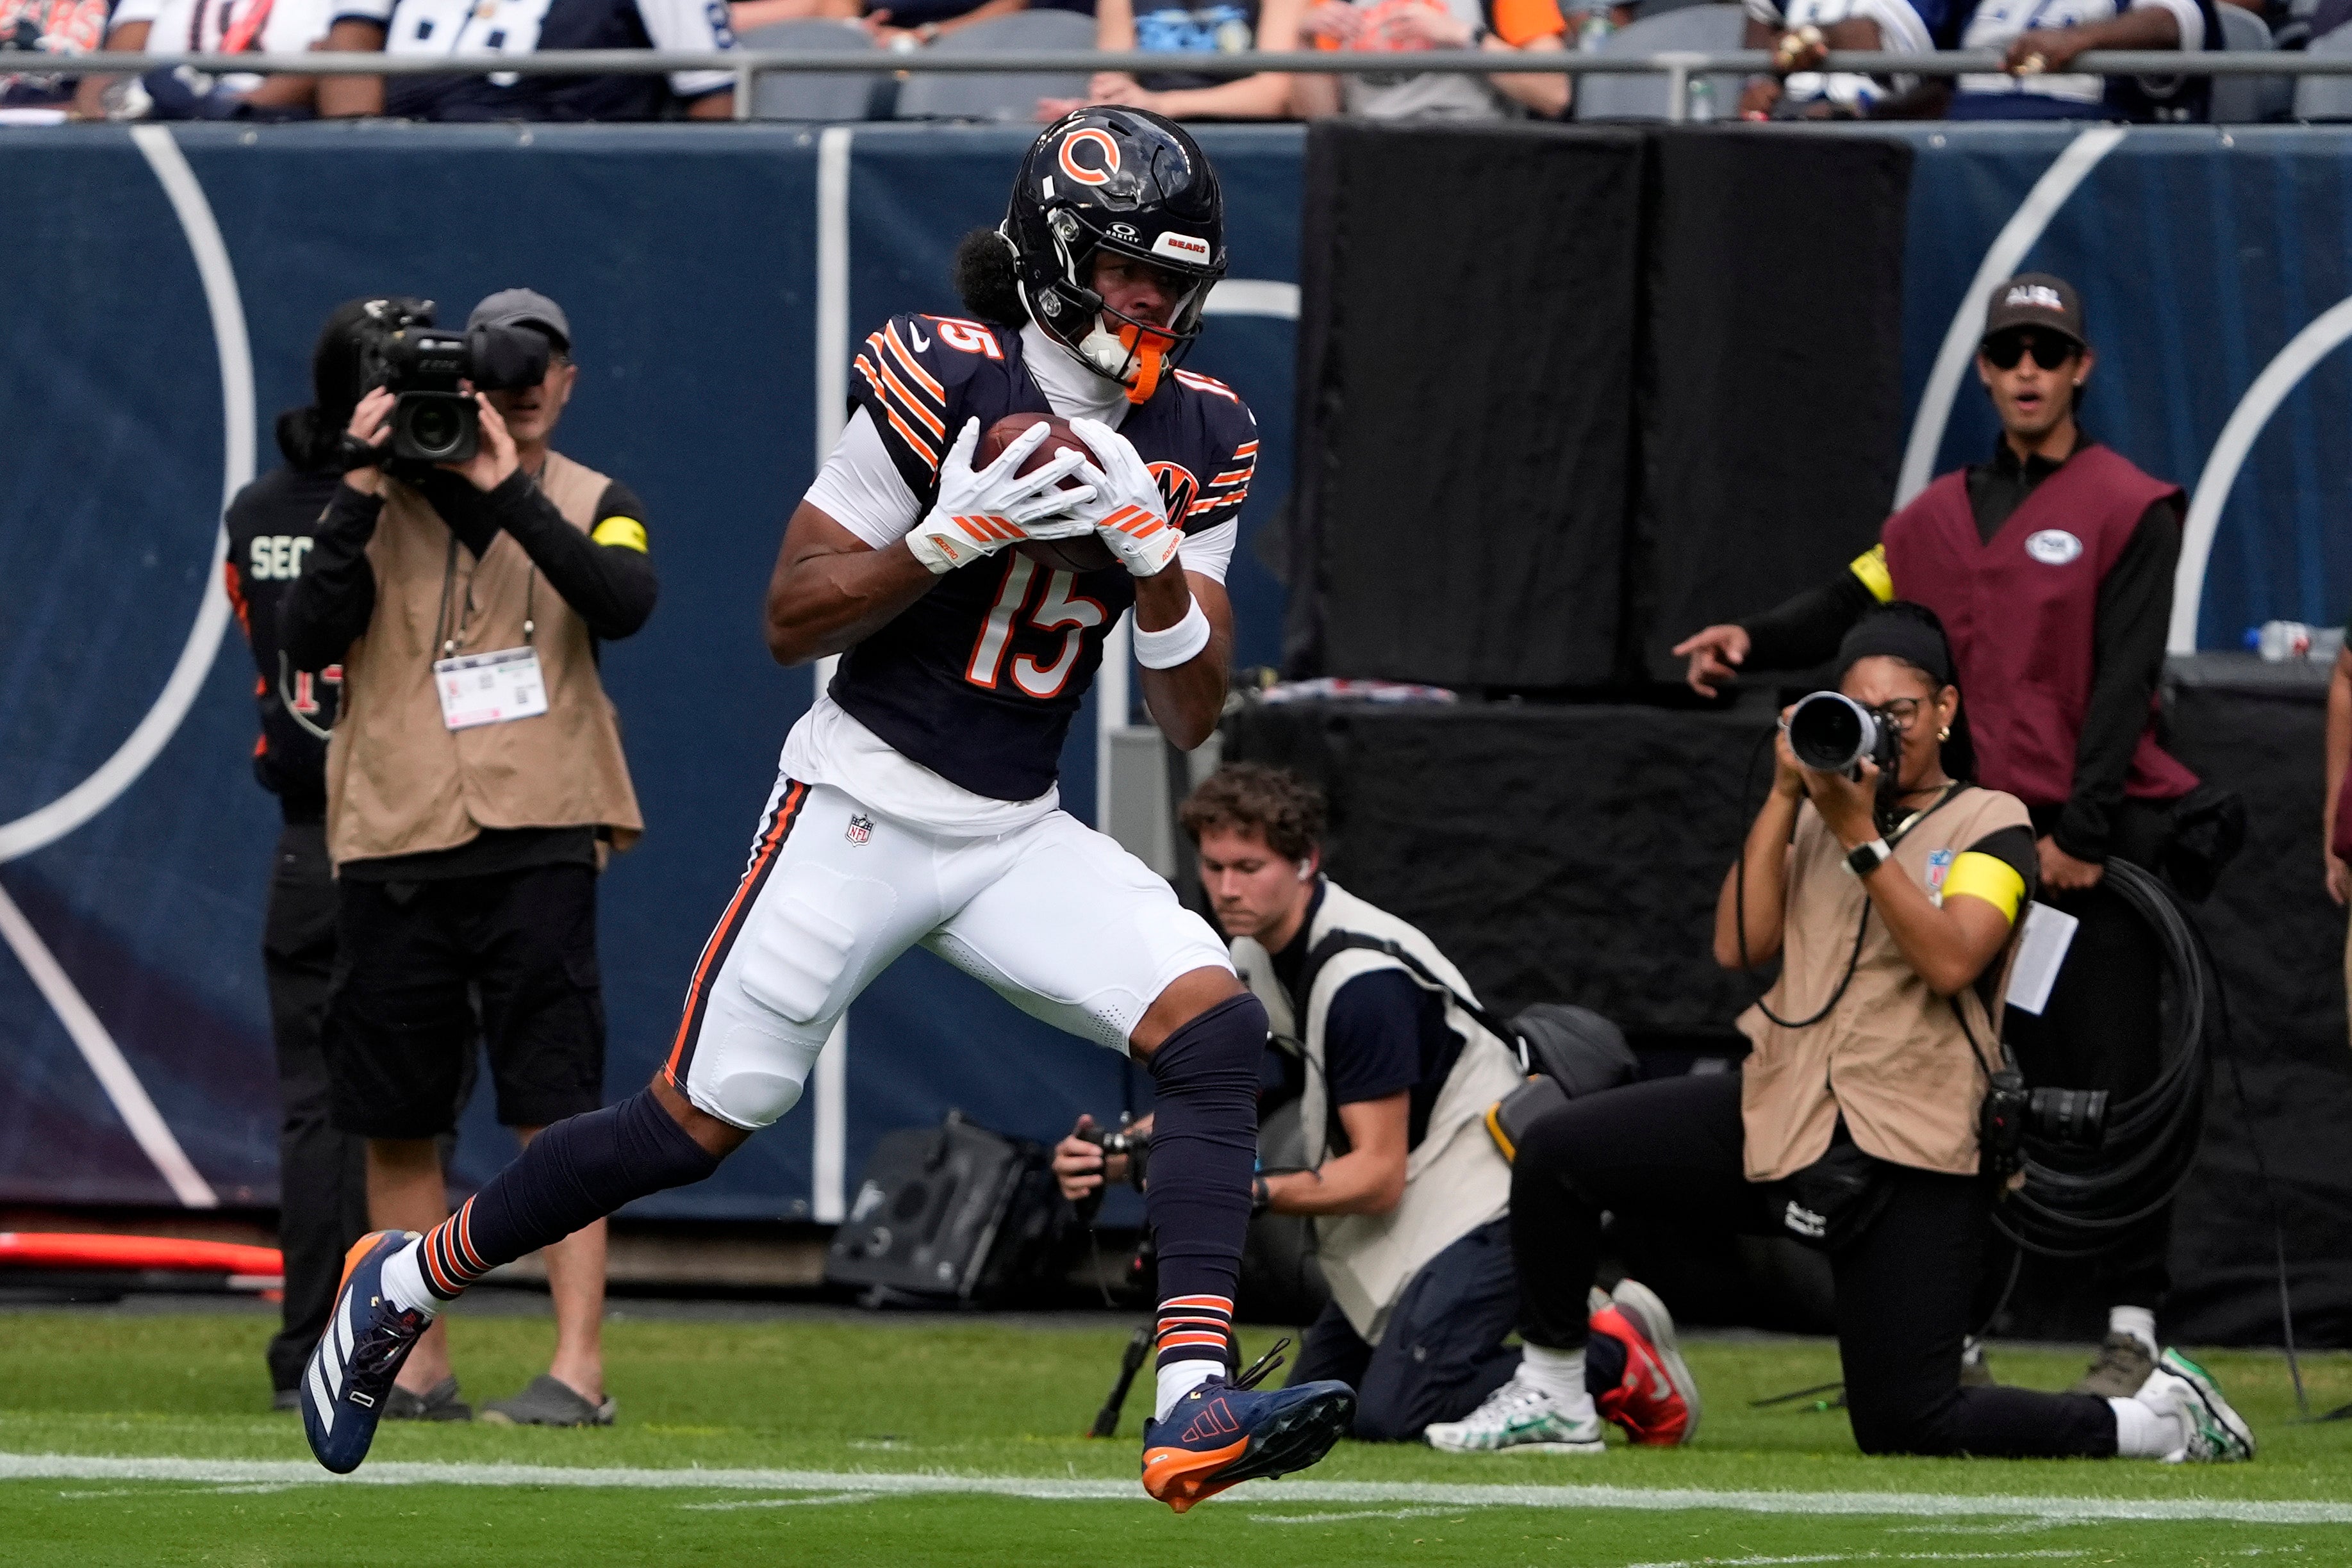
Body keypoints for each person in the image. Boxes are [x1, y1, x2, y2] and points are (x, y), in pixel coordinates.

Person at [298, 109, 1358, 1514]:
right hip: (858, 801)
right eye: (1121, 269)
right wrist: (943, 536)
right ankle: (409, 1272)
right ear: (1052, 256)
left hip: (1010, 827)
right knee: (699, 1117)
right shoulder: (943, 374)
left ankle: (1189, 1402)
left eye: (1172, 276)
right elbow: (791, 617)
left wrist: (1157, 564)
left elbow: (1186, 710)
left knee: (1213, 1025)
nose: (1151, 301)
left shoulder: (1201, 430)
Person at [1443, 604, 2255, 1464]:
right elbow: (1739, 943)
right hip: (1785, 1107)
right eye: (1859, 709)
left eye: (1899, 711)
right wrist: (1785, 794)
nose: (1881, 730)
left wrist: (1859, 836)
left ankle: (2156, 1422)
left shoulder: (1991, 821)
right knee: (1558, 1150)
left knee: (1909, 1424)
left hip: (1912, 1138)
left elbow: (1951, 959)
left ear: (1945, 708)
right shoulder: (1816, 809)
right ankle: (1556, 1393)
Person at [1674, 273, 2207, 1401]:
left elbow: (2127, 679)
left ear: (2080, 371)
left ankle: (2137, 1327)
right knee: (1976, 1089)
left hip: (2070, 847)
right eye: (2008, 351)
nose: (2026, 370)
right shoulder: (1931, 518)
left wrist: (2086, 832)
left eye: (2046, 353)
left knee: (2106, 1078)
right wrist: (1750, 637)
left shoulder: (2128, 502)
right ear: (1983, 370)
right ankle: (1953, 1317)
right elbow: (1845, 601)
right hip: (1953, 840)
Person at [1054, 763, 1702, 1448]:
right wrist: (1123, 1154)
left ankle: (1613, 1356)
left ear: (1306, 862)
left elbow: (1375, 1174)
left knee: (1393, 1411)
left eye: (1249, 866)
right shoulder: (1256, 950)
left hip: (1502, 1202)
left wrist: (1239, 1189)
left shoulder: (1362, 982)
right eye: (1213, 867)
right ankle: (1565, 1351)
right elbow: (1229, 1093)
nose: (1226, 888)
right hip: (1430, 1198)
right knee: (1332, 1402)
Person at [283, 288, 657, 1431]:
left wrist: (503, 487)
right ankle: (419, 1362)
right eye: (503, 366)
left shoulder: (599, 497)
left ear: (570, 376)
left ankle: (577, 1367)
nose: (524, 384)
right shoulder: (382, 492)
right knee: (397, 1116)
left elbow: (623, 600)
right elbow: (304, 636)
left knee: (558, 1111)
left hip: (540, 830)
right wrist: (359, 476)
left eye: (543, 362)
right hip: (397, 833)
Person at [221, 301, 380, 1412]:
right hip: (397, 828)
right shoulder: (403, 512)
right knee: (406, 1112)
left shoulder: (258, 510)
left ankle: (302, 1348)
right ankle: (377, 1351)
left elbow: (257, 625)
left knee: (316, 1111)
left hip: (304, 835)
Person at [309, 0, 738, 120]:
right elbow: (351, 38)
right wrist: (362, 147)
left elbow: (714, 101)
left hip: (552, 177)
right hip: (399, 162)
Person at [1289, 0, 1569, 120]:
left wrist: (1462, 34)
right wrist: (1305, 43)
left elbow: (1552, 93)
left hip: (1478, 154)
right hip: (1369, 157)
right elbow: (1316, 117)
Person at [1946, 0, 2219, 122]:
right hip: (1958, 130)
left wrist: (2079, 38)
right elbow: (1908, 28)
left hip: (2079, 130)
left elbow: (2174, 22)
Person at [1034, 0, 1304, 122]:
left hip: (1251, 140)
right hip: (1154, 134)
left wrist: (1162, 104)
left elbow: (1277, 92)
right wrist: (1097, 111)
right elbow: (1114, 78)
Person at [68, 0, 327, 120]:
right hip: (155, 121)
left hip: (273, 129)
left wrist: (225, 110)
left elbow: (330, 62)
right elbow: (105, 78)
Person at [1736, 0, 1947, 119]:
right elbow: (1761, 36)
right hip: (1792, 124)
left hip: (1890, 135)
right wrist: (1760, 88)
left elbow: (1882, 36)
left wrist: (1816, 38)